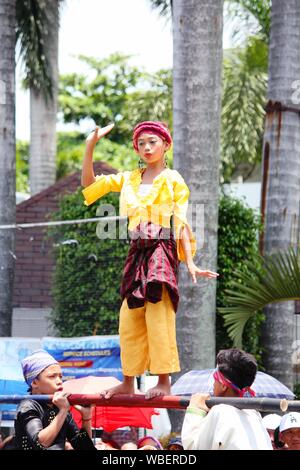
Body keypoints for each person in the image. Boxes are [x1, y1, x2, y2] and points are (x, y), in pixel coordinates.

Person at [81, 121, 218, 399]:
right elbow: (90, 186)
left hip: (162, 250)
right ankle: (127, 381)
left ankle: (164, 381)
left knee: (158, 314)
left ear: (166, 144)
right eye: (141, 143)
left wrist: (189, 262)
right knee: (129, 316)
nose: (146, 147)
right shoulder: (130, 178)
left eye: (152, 141)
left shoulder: (173, 179)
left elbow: (179, 222)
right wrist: (90, 146)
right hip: (137, 250)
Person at [181, 348, 273, 450]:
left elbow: (193, 448)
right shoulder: (254, 414)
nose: (213, 384)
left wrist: (195, 411)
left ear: (224, 385)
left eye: (215, 378)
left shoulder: (219, 411)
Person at [14, 349, 96, 450]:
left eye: (60, 376)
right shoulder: (28, 405)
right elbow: (40, 444)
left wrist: (86, 417)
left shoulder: (61, 406)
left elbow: (84, 447)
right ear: (34, 383)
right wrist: (63, 411)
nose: (59, 381)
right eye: (52, 376)